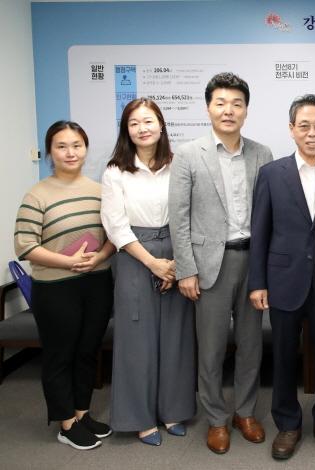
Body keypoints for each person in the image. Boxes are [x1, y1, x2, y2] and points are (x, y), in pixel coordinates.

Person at [168, 72, 273, 454]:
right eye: (221, 103)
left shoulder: (262, 153)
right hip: (209, 263)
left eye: (236, 104)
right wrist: (186, 269)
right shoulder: (188, 154)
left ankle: (245, 412)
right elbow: (178, 217)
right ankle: (216, 418)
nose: (228, 110)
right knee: (210, 349)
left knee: (251, 346)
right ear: (208, 107)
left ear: (246, 110)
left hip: (253, 261)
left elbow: (269, 215)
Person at [248, 94, 315, 460]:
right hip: (283, 281)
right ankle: (288, 424)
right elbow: (260, 232)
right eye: (304, 126)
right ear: (292, 129)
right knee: (284, 357)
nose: (312, 133)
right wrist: (257, 282)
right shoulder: (271, 174)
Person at [14, 120, 115, 450]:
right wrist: (67, 261)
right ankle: (66, 423)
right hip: (55, 287)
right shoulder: (37, 194)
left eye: (76, 145)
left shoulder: (100, 191)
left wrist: (100, 256)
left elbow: (114, 235)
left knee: (87, 351)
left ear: (85, 149)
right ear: (50, 152)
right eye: (61, 146)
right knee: (61, 354)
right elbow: (25, 246)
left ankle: (82, 413)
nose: (70, 152)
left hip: (96, 282)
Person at [101, 98, 195, 446]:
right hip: (133, 254)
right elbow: (115, 225)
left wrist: (176, 263)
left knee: (176, 336)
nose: (142, 128)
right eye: (134, 123)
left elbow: (189, 213)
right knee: (137, 338)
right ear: (126, 130)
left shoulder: (179, 164)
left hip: (176, 251)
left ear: (161, 125)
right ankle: (139, 418)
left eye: (148, 121)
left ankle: (173, 410)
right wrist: (153, 263)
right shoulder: (115, 171)